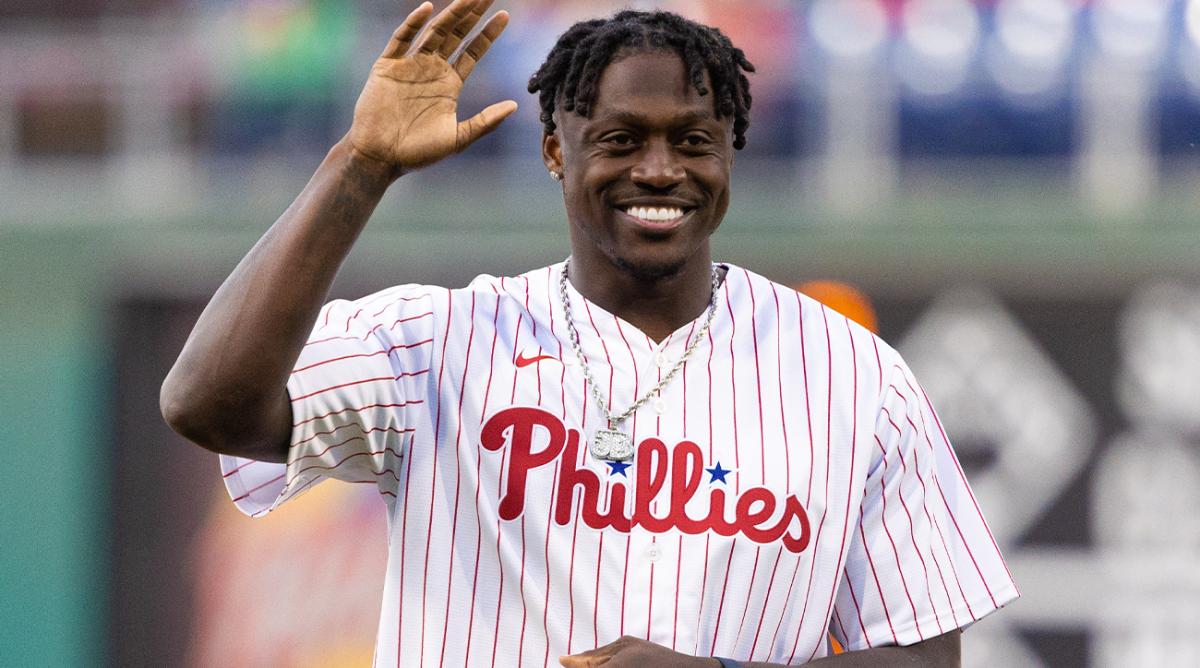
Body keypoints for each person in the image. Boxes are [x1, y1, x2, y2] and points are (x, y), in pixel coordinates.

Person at [161, 1, 1018, 665]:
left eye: (693, 140)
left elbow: (925, 652)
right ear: (554, 152)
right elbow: (211, 405)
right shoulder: (436, 340)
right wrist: (362, 164)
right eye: (619, 139)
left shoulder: (853, 376)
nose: (658, 169)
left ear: (732, 153)